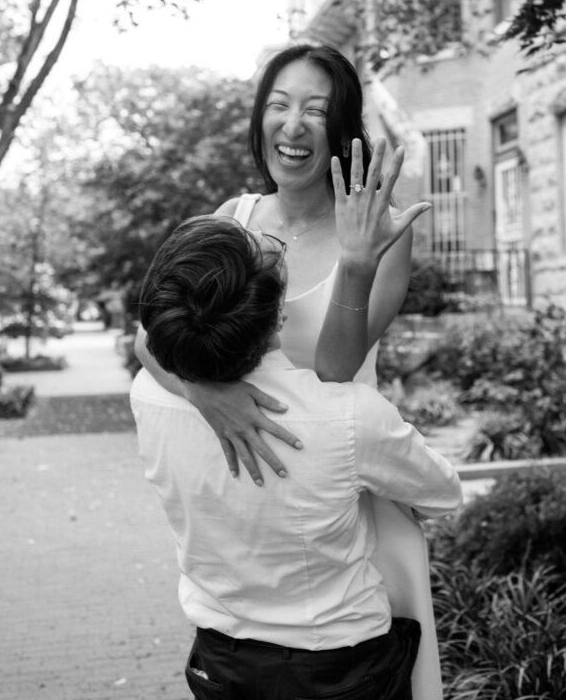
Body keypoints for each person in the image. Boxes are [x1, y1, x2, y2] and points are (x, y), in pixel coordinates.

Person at [135, 43, 446, 699]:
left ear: (341, 128)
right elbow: (148, 340)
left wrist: (356, 264)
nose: (292, 123)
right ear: (259, 119)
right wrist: (208, 394)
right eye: (278, 105)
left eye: (315, 109)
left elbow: (337, 370)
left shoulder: (379, 229)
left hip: (344, 473)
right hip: (251, 471)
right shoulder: (234, 219)